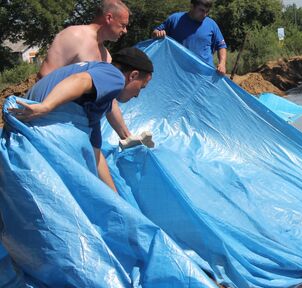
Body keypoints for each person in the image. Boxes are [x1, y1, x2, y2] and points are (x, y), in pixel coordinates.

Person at [9, 47, 154, 193]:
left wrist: (114, 198)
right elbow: (80, 80)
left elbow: (95, 154)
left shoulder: (96, 102)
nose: (137, 95)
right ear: (133, 75)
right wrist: (46, 106)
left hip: (20, 145)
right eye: (141, 87)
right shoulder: (114, 76)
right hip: (44, 135)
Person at [38, 0, 137, 142]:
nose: (125, 31)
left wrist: (127, 137)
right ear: (109, 18)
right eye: (123, 25)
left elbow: (110, 101)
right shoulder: (74, 36)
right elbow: (44, 77)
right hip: (54, 121)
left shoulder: (106, 56)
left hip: (79, 123)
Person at [152, 0, 228, 74]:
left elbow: (221, 46)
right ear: (192, 6)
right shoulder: (175, 19)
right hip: (176, 71)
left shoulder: (212, 24)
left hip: (202, 74)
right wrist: (158, 33)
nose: (204, 14)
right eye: (201, 10)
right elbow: (155, 33)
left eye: (207, 11)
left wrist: (222, 64)